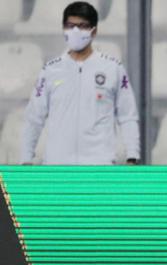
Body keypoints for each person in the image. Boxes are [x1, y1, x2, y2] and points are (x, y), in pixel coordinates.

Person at [21, 1, 140, 165]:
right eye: (70, 25)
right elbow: (34, 117)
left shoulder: (113, 69)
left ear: (94, 31)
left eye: (83, 26)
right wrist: (26, 158)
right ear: (63, 29)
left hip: (99, 168)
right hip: (57, 167)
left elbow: (128, 116)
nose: (75, 31)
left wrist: (132, 155)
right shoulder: (49, 70)